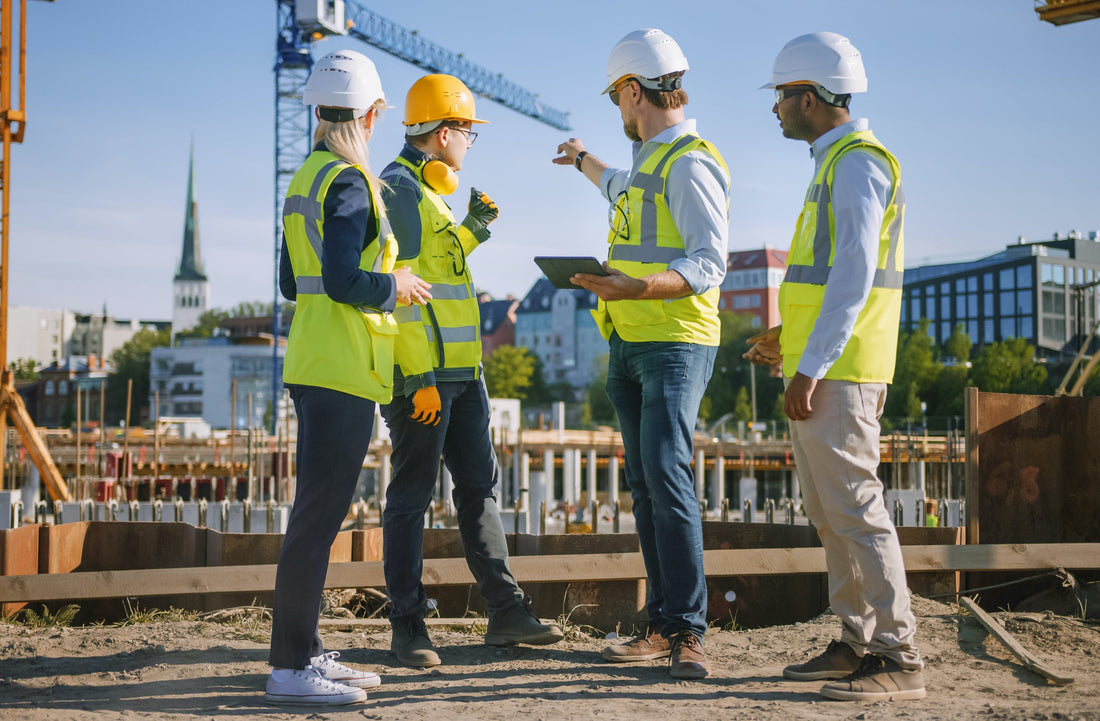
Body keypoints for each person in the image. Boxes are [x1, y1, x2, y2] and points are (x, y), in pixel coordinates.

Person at [745, 32, 925, 701]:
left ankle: (898, 653)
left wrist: (808, 365)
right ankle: (856, 637)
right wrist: (784, 335)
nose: (776, 109)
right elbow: (827, 282)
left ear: (813, 98)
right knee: (829, 510)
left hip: (842, 371)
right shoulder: (834, 164)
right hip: (827, 362)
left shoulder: (856, 163)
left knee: (856, 507)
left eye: (783, 97)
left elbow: (853, 278)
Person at [552, 29, 729, 680]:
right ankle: (661, 623)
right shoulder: (650, 161)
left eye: (617, 101)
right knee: (646, 486)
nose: (617, 112)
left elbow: (710, 261)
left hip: (676, 342)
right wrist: (581, 160)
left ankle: (688, 631)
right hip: (629, 344)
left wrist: (637, 286)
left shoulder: (689, 161)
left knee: (667, 476)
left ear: (633, 92)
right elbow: (616, 185)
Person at [378, 74, 563, 668]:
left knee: (479, 492)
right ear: (444, 131)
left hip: (465, 375)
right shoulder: (401, 189)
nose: (469, 144)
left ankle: (506, 613)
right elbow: (402, 292)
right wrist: (420, 377)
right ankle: (407, 626)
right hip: (425, 381)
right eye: (468, 133)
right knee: (409, 498)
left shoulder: (430, 195)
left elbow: (439, 271)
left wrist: (473, 231)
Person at [266, 49, 432, 706]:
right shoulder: (350, 180)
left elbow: (291, 281)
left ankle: (302, 652)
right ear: (370, 112)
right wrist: (394, 283)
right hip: (341, 372)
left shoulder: (307, 176)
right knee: (317, 519)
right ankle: (288, 669)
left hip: (312, 364)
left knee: (315, 515)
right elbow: (341, 280)